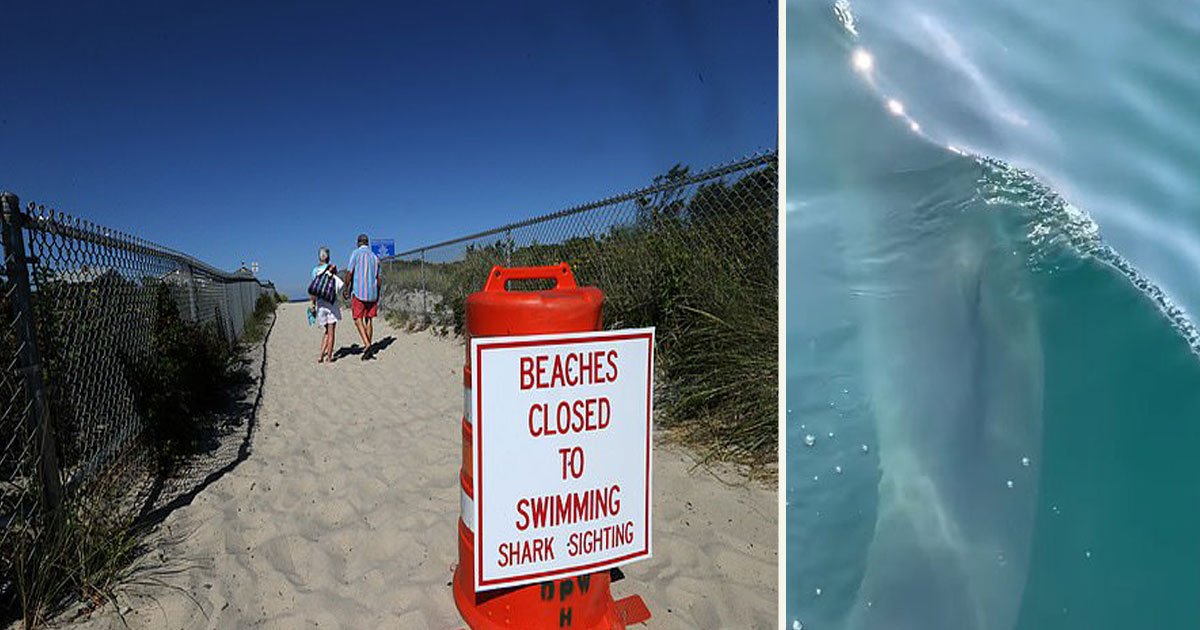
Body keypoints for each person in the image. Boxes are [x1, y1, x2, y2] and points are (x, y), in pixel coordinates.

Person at [344, 233, 381, 360]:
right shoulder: (375, 257)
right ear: (368, 243)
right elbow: (378, 278)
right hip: (372, 292)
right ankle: (368, 349)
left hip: (359, 291)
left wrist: (346, 288)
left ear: (358, 243)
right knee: (369, 320)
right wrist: (378, 292)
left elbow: (349, 272)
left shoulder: (355, 254)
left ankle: (367, 344)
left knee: (357, 318)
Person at [311, 247, 345, 364]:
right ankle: (329, 357)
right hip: (331, 303)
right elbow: (336, 283)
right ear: (328, 257)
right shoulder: (332, 268)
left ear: (319, 257)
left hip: (320, 304)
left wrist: (313, 305)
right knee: (331, 332)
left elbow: (314, 291)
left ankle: (321, 356)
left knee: (326, 331)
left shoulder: (315, 271)